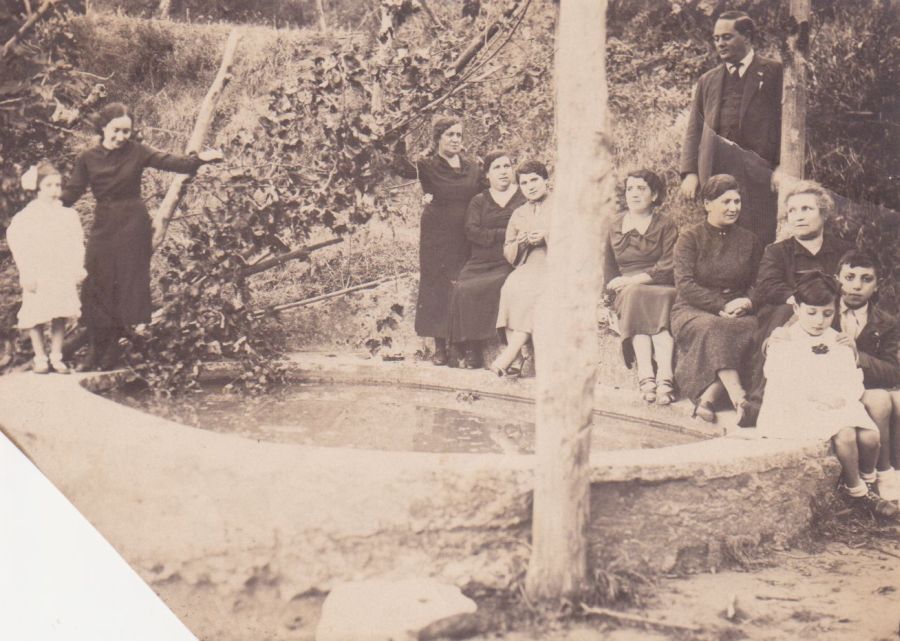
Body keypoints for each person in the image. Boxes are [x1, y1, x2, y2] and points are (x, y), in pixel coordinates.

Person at [61, 102, 223, 371]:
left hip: (132, 225)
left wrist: (200, 159)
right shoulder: (87, 158)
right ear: (103, 127)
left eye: (127, 131)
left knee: (123, 286)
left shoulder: (138, 151)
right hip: (104, 225)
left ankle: (111, 352)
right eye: (117, 130)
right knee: (96, 284)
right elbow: (72, 192)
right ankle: (95, 351)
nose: (122, 136)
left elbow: (173, 162)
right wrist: (45, 202)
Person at [756, 271, 898, 518]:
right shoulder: (785, 338)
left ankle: (868, 480)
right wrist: (819, 400)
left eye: (827, 313)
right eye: (811, 313)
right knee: (845, 435)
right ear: (798, 309)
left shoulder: (837, 340)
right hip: (794, 405)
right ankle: (857, 492)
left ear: (834, 310)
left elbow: (852, 378)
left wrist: (844, 397)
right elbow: (781, 380)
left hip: (837, 401)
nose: (819, 320)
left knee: (871, 436)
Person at [740, 180, 852, 425]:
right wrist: (798, 302)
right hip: (787, 314)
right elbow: (768, 285)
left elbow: (851, 283)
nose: (798, 216)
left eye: (806, 209)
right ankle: (759, 400)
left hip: (830, 314)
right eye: (792, 211)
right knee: (785, 317)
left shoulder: (843, 250)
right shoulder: (777, 251)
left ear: (823, 213)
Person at [679, 10, 782, 245]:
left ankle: (757, 281)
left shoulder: (775, 72)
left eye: (727, 37)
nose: (720, 44)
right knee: (719, 233)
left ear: (747, 36)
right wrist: (690, 172)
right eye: (716, 38)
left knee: (758, 233)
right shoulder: (708, 80)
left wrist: (780, 166)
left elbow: (786, 124)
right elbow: (694, 128)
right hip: (716, 169)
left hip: (759, 171)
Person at [671, 174, 762, 423]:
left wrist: (746, 302)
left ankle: (707, 398)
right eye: (726, 202)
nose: (734, 208)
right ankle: (739, 398)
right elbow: (685, 284)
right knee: (715, 327)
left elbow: (759, 282)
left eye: (737, 201)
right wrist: (720, 305)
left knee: (753, 327)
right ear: (707, 204)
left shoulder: (749, 240)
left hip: (738, 308)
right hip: (693, 309)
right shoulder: (690, 238)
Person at [394, 116, 482, 366]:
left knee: (462, 284)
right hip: (436, 235)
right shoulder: (428, 165)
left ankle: (460, 344)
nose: (455, 139)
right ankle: (440, 346)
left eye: (459, 135)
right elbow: (400, 166)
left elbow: (486, 192)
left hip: (465, 235)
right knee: (436, 285)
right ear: (438, 138)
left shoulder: (473, 167)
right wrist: (401, 127)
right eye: (449, 135)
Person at [603, 169, 678, 405]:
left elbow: (669, 266)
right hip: (627, 291)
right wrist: (604, 298)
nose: (634, 193)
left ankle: (665, 375)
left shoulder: (666, 225)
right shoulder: (614, 225)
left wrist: (632, 281)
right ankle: (647, 374)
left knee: (643, 298)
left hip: (660, 286)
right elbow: (608, 269)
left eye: (641, 188)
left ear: (654, 195)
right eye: (630, 189)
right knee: (634, 296)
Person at [448, 151, 526, 369]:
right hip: (479, 260)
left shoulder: (522, 197)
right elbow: (472, 231)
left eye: (507, 166)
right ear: (488, 174)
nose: (503, 172)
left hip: (508, 259)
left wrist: (493, 234)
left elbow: (525, 227)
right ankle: (470, 347)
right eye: (497, 168)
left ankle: (498, 346)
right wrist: (505, 233)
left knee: (498, 284)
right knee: (463, 287)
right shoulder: (479, 200)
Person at [833, 251, 900, 503]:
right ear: (837, 278)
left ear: (876, 285)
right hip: (829, 386)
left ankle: (891, 471)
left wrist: (857, 355)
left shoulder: (886, 321)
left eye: (866, 279)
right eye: (849, 277)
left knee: (892, 399)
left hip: (863, 385)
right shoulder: (821, 311)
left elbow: (893, 370)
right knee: (882, 400)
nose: (856, 285)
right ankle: (881, 473)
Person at [7, 162, 86, 374]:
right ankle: (40, 357)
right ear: (38, 188)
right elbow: (18, 244)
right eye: (49, 185)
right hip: (38, 270)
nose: (55, 190)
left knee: (59, 312)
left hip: (59, 268)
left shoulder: (68, 215)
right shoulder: (27, 217)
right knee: (37, 313)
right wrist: (26, 272)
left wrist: (78, 267)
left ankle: (56, 356)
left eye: (58, 185)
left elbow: (76, 242)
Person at [492, 160, 551, 377]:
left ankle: (510, 355)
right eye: (524, 183)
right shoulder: (519, 213)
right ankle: (516, 360)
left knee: (534, 291)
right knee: (510, 287)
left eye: (535, 180)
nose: (531, 186)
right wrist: (522, 242)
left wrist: (547, 236)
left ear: (546, 180)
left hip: (556, 264)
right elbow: (509, 250)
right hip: (530, 263)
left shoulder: (562, 206)